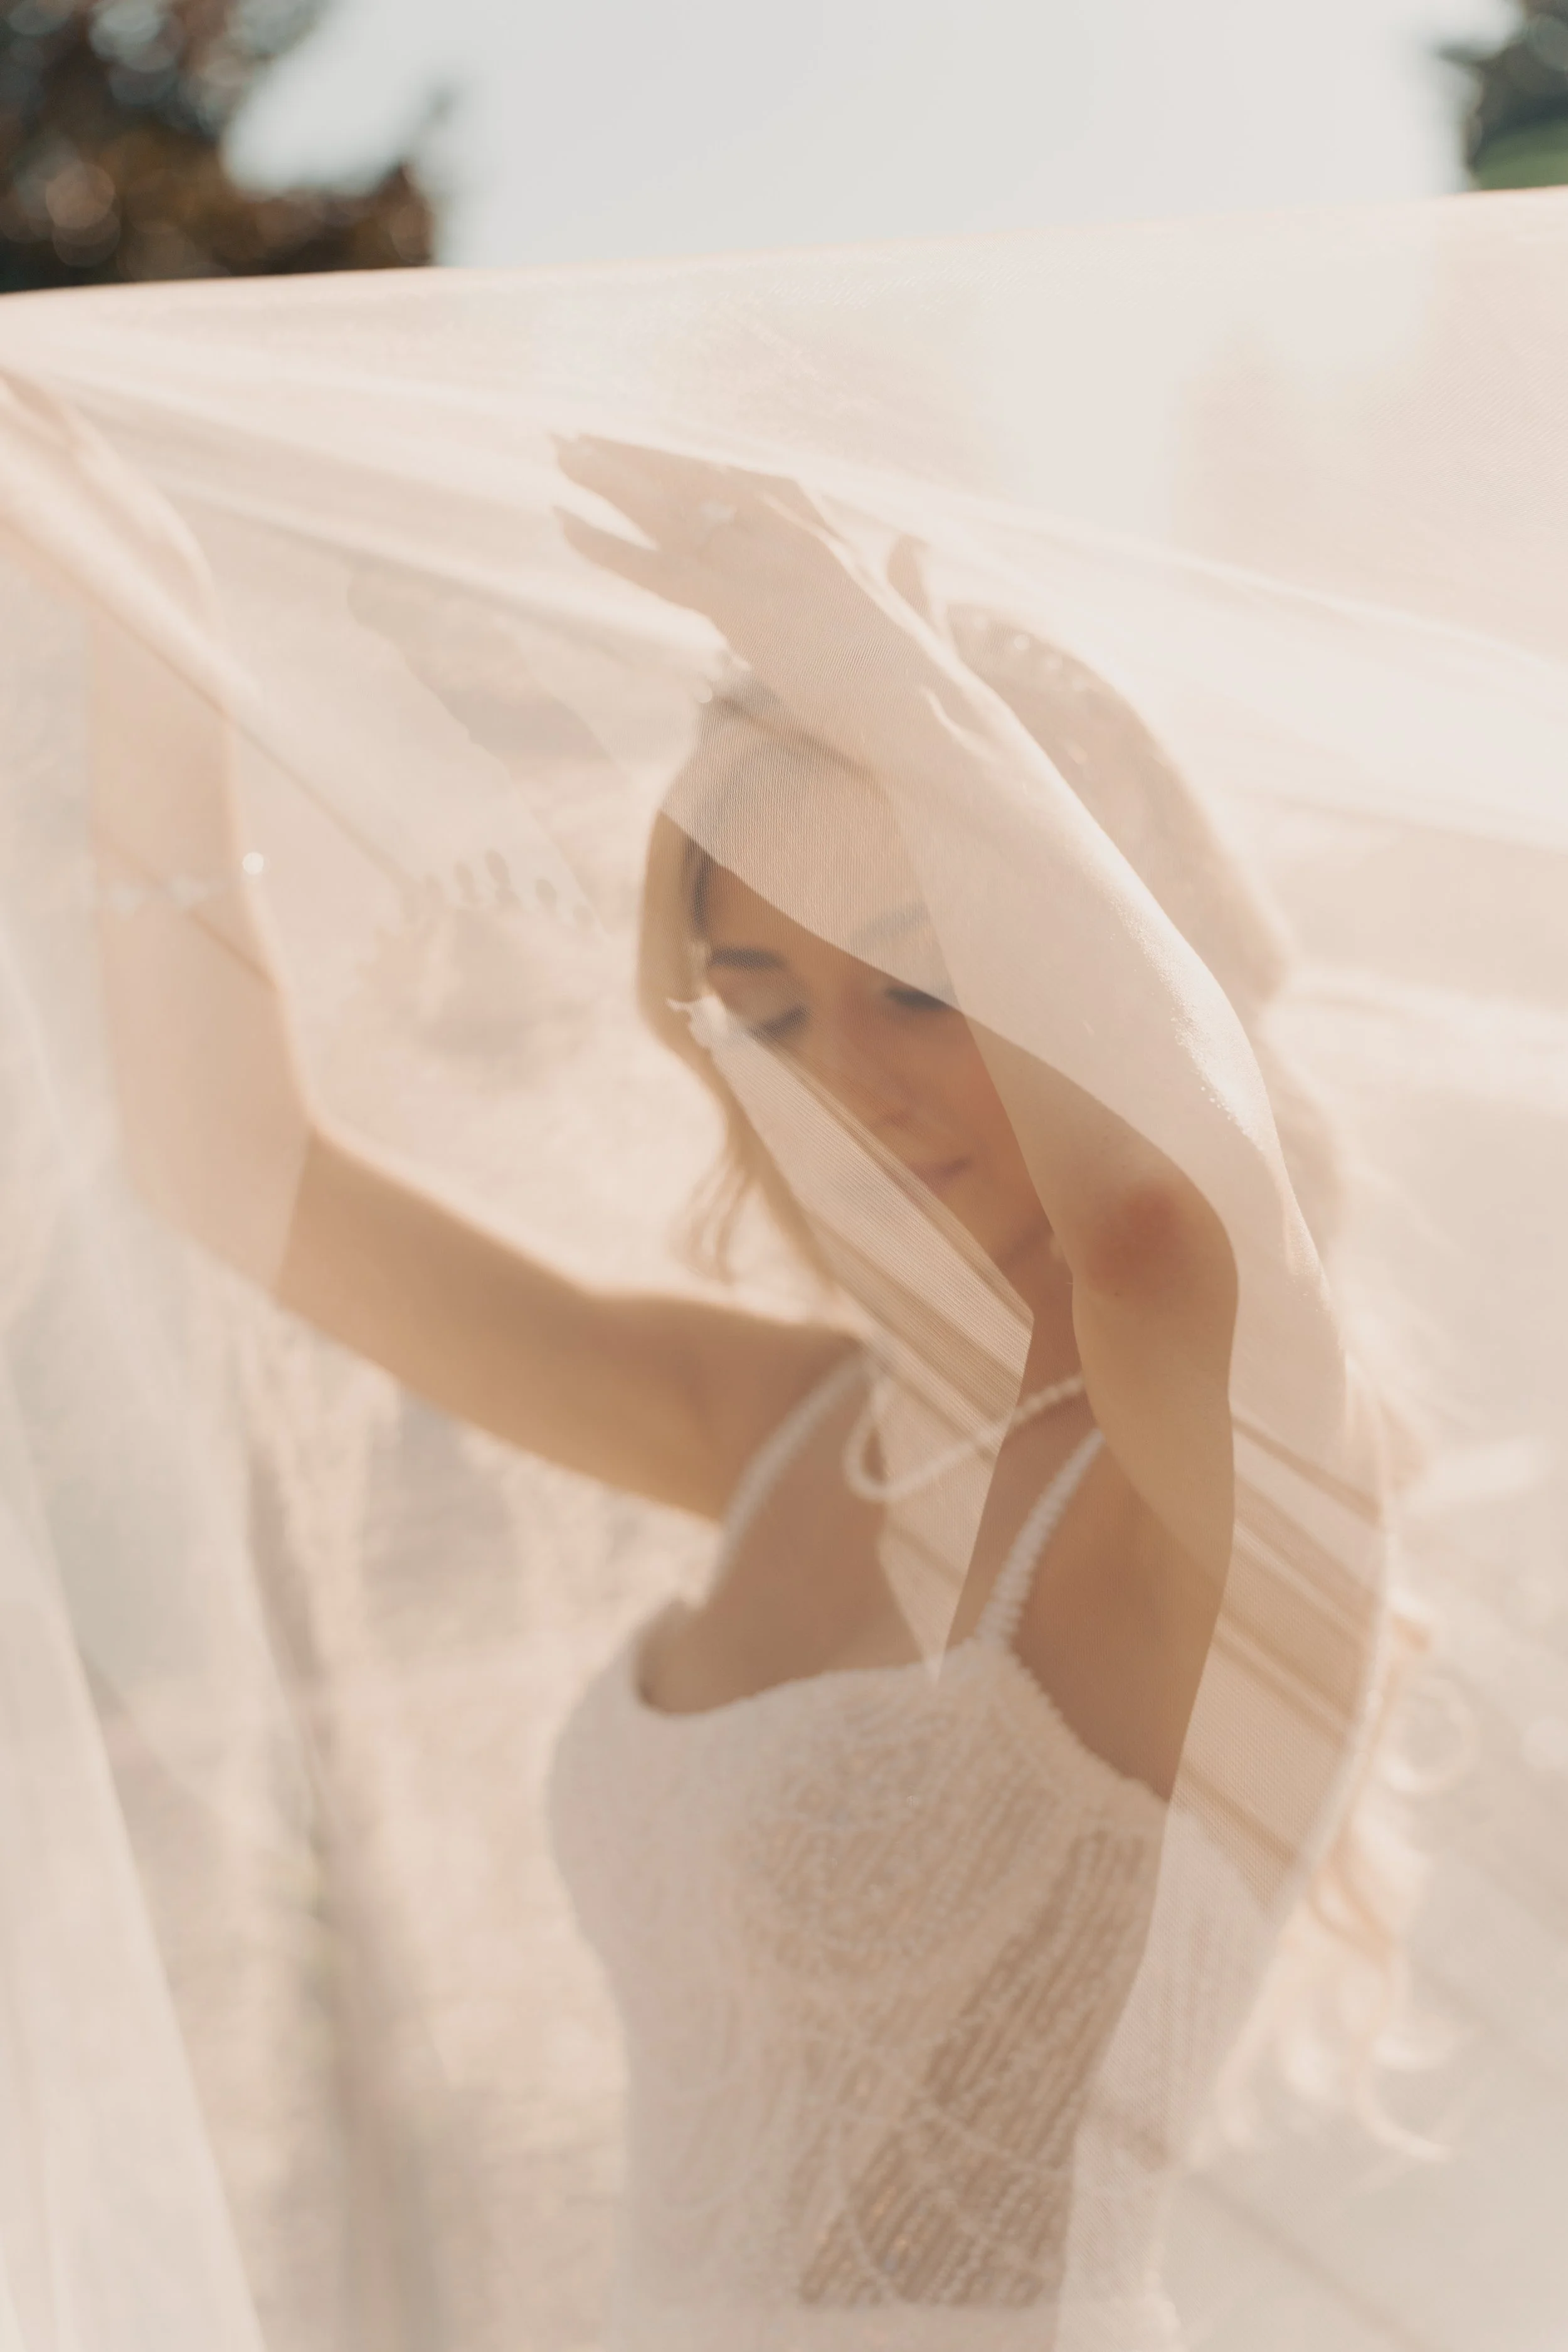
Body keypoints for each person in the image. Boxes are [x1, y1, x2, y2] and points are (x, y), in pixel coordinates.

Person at [71, 417, 1391, 2348]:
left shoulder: (1212, 1469)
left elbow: (1155, 1223)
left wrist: (870, 672)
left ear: (1104, 959)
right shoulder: (785, 1430)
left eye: (917, 983)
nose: (842, 1082)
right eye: (765, 1009)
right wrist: (142, 613)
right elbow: (234, 1168)